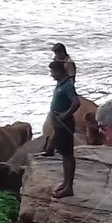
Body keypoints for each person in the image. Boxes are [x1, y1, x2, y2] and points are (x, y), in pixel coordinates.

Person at [48, 60, 81, 198]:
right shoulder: (60, 84)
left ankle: (69, 187)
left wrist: (64, 115)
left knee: (68, 156)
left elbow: (76, 103)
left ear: (59, 71)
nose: (51, 75)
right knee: (64, 155)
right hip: (59, 125)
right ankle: (65, 182)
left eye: (52, 72)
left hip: (65, 125)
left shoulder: (67, 85)